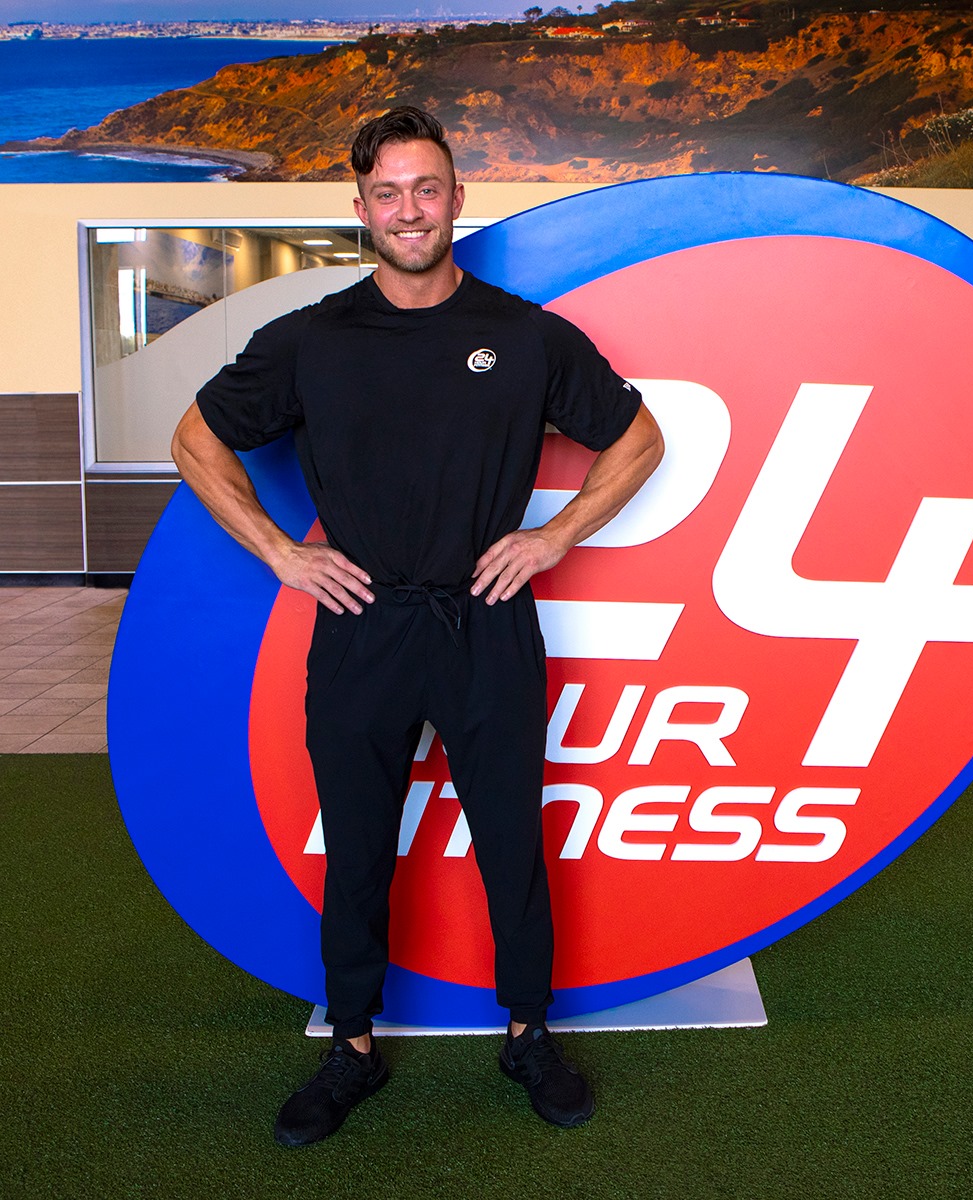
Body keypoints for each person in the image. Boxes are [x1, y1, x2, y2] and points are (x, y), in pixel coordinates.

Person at [171, 106, 663, 1146]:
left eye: (426, 188)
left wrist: (555, 536)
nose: (409, 210)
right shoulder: (310, 340)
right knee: (357, 848)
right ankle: (351, 1047)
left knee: (511, 843)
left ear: (456, 199)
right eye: (388, 193)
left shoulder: (524, 335)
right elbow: (196, 440)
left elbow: (638, 439)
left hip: (486, 620)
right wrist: (282, 554)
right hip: (363, 626)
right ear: (361, 208)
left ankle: (529, 1036)